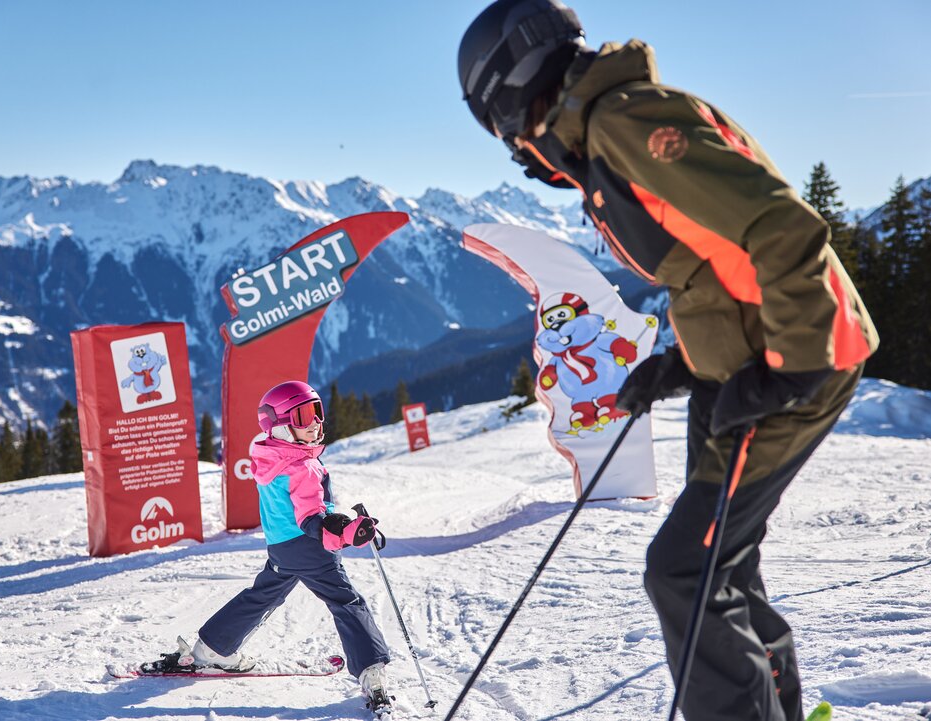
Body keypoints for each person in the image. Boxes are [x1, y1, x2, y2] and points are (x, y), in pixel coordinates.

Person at [457, 3, 878, 721]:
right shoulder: (604, 130)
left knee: (682, 571)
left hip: (789, 365)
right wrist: (683, 360)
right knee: (723, 565)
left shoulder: (624, 122)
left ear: (509, 84)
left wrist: (791, 366)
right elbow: (714, 262)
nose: (509, 142)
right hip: (743, 367)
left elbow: (780, 226)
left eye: (491, 116)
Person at [183, 381, 392, 709]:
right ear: (280, 427)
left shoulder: (269, 455)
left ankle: (213, 648)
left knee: (265, 593)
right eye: (302, 416)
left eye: (317, 411)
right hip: (310, 549)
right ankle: (371, 670)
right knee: (345, 600)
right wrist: (349, 533)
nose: (315, 423)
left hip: (281, 548)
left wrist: (342, 523)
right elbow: (313, 521)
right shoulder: (302, 467)